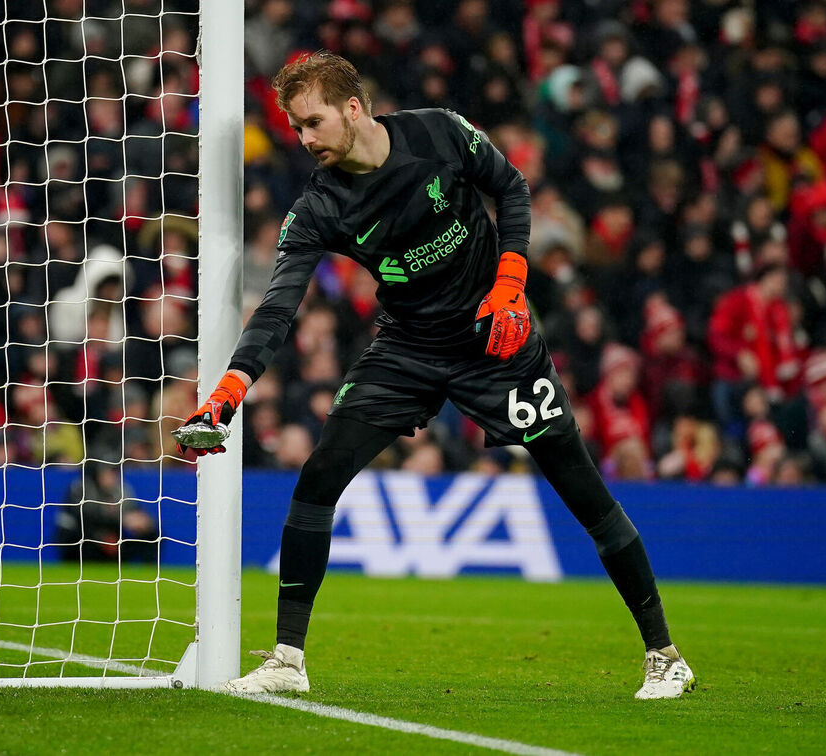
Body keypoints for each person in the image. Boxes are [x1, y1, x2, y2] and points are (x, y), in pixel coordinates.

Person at [178, 53, 693, 700]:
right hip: (407, 349)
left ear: (353, 109)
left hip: (495, 340)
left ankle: (664, 655)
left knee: (582, 491)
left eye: (312, 122)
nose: (305, 140)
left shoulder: (439, 134)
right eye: (296, 128)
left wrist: (510, 285)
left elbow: (511, 188)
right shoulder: (318, 207)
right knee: (319, 477)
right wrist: (231, 390)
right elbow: (280, 306)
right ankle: (287, 660)